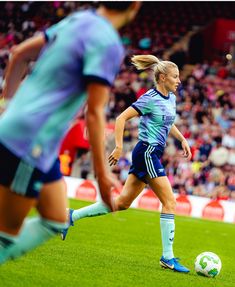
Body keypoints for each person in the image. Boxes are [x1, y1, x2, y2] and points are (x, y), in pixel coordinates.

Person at [0, 2, 141, 264]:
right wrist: (102, 175)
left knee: (55, 218)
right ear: (135, 5)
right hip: (31, 141)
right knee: (4, 236)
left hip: (28, 135)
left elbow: (18, 54)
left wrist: (7, 106)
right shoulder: (108, 43)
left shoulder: (77, 20)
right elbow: (95, 112)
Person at [61, 54, 192, 273]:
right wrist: (119, 146)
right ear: (162, 78)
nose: (179, 80)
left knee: (121, 203)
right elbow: (121, 118)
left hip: (151, 154)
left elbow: (168, 123)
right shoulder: (150, 98)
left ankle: (71, 216)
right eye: (175, 77)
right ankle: (167, 257)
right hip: (147, 152)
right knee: (170, 202)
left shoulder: (171, 98)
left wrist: (182, 139)